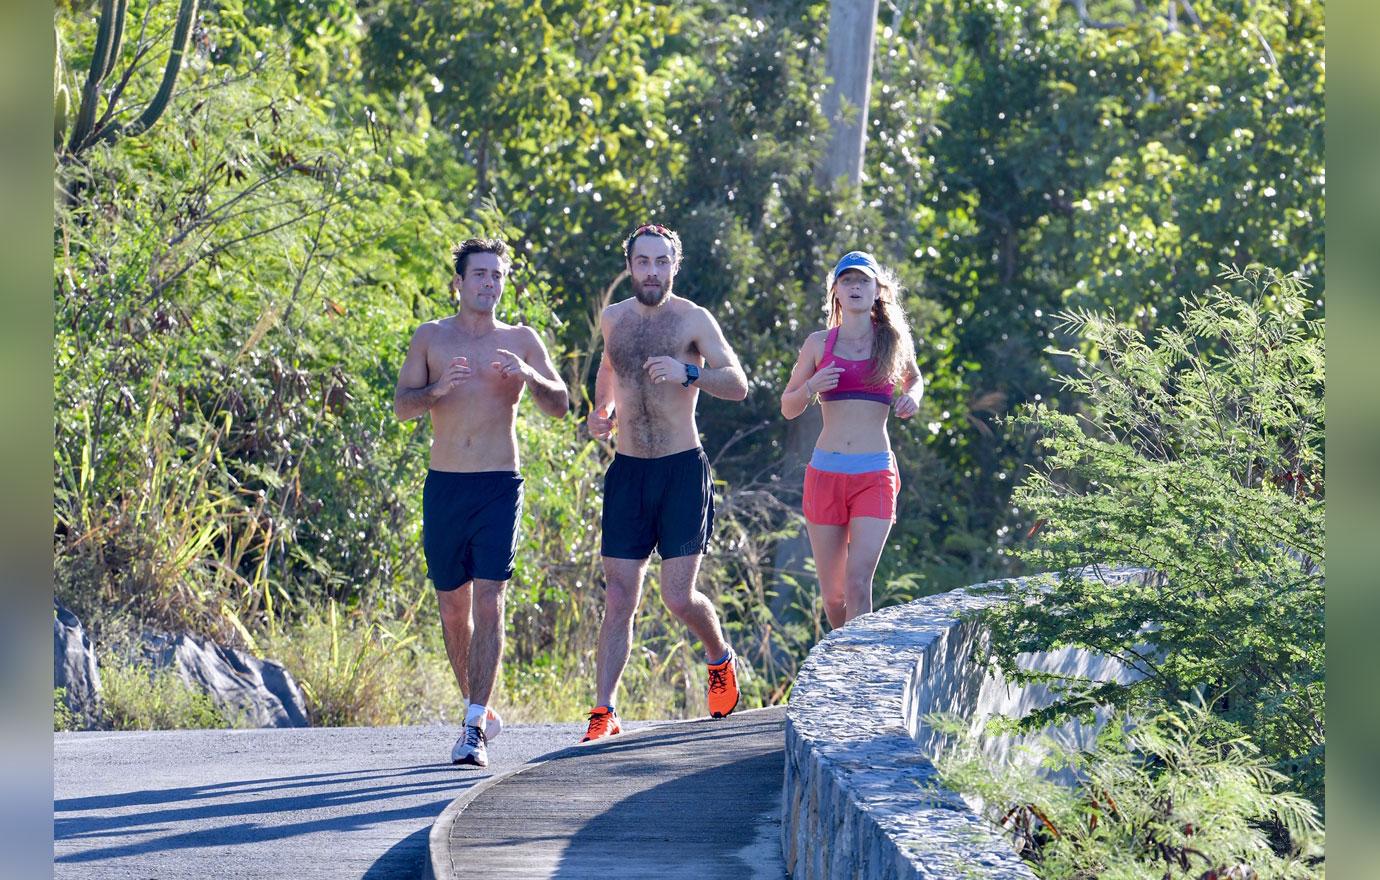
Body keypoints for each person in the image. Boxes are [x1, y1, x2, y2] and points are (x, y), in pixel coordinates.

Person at [394, 238, 569, 767]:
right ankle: (479, 703)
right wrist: (438, 389)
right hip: (445, 485)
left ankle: (473, 727)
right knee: (453, 609)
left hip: (499, 483)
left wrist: (531, 376)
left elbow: (560, 404)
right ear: (459, 282)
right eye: (479, 275)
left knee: (490, 598)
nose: (489, 283)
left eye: (497, 275)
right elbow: (403, 407)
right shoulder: (431, 337)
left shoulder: (519, 340)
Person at [581, 223, 749, 742]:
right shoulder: (614, 320)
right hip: (628, 472)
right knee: (619, 596)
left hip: (680, 470)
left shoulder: (693, 319)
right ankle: (604, 711)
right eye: (642, 262)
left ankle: (719, 658)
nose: (651, 271)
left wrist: (689, 373)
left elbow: (738, 384)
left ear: (675, 266)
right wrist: (600, 410)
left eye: (661, 262)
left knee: (678, 597)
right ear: (629, 265)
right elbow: (610, 366)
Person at [779, 251, 924, 627]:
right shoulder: (818, 344)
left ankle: (861, 671)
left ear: (877, 291)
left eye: (864, 281)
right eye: (847, 280)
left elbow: (915, 379)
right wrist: (811, 386)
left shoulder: (892, 341)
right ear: (836, 293)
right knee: (835, 597)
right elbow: (788, 406)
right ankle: (844, 667)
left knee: (858, 583)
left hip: (874, 473)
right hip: (825, 473)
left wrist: (912, 398)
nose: (856, 287)